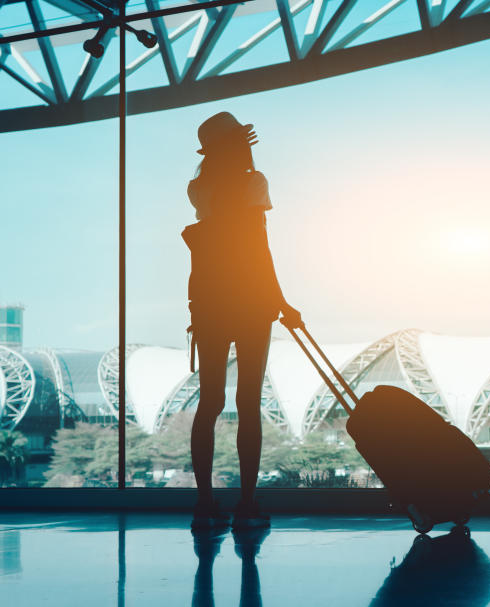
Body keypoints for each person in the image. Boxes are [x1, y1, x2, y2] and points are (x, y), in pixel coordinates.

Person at [182, 111, 302, 530]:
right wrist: (282, 301)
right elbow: (256, 246)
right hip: (251, 302)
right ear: (238, 144)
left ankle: (204, 502)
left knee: (209, 402)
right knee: (247, 404)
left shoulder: (199, 188)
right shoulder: (254, 182)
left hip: (210, 301)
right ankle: (247, 503)